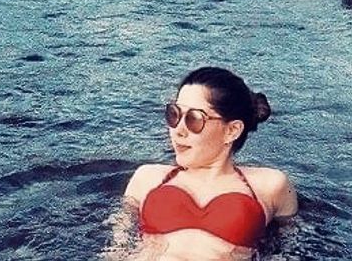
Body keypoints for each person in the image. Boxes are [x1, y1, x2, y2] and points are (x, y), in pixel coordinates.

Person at [106, 66, 297, 260]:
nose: (178, 130)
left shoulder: (270, 185)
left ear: (232, 130)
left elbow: (292, 249)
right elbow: (116, 249)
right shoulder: (147, 178)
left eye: (193, 119)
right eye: (174, 114)